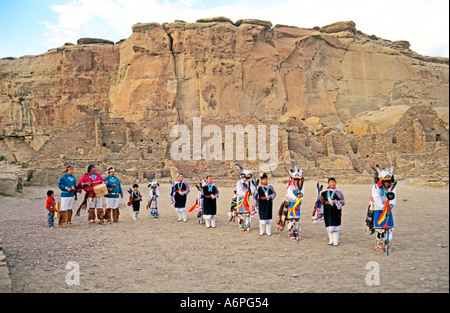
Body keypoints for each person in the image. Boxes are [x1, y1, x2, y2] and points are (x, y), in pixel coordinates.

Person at [370, 166, 397, 253]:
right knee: (380, 228)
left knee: (389, 227)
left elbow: (393, 197)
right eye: (385, 182)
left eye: (388, 182)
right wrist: (383, 207)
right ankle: (379, 243)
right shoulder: (376, 188)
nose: (386, 184)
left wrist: (391, 205)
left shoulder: (392, 187)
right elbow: (376, 198)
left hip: (388, 208)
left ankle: (387, 243)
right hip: (379, 208)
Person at [278, 164, 305, 241]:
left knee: (296, 218)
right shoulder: (289, 185)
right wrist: (297, 199)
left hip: (297, 203)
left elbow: (302, 193)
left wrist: (300, 200)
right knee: (290, 218)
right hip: (290, 202)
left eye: (298, 180)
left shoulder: (302, 185)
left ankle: (296, 232)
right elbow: (290, 193)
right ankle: (291, 232)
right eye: (295, 179)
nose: (296, 181)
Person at [320, 177, 345, 246]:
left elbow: (343, 201)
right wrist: (319, 198)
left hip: (335, 210)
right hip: (327, 209)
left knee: (335, 224)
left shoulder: (339, 192)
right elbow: (321, 201)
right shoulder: (324, 192)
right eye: (331, 182)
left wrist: (336, 201)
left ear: (335, 183)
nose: (332, 183)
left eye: (333, 182)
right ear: (328, 183)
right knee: (329, 224)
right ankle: (331, 240)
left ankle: (336, 241)